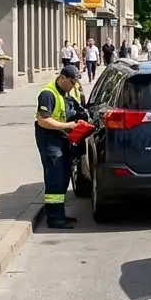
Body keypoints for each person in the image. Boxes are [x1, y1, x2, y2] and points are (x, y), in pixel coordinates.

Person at [34, 65, 89, 229]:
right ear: (62, 78)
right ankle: (54, 218)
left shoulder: (68, 91)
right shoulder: (47, 94)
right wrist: (68, 125)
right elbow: (43, 120)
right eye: (71, 82)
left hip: (63, 137)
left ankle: (60, 214)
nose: (73, 86)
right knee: (55, 178)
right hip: (49, 138)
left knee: (64, 176)